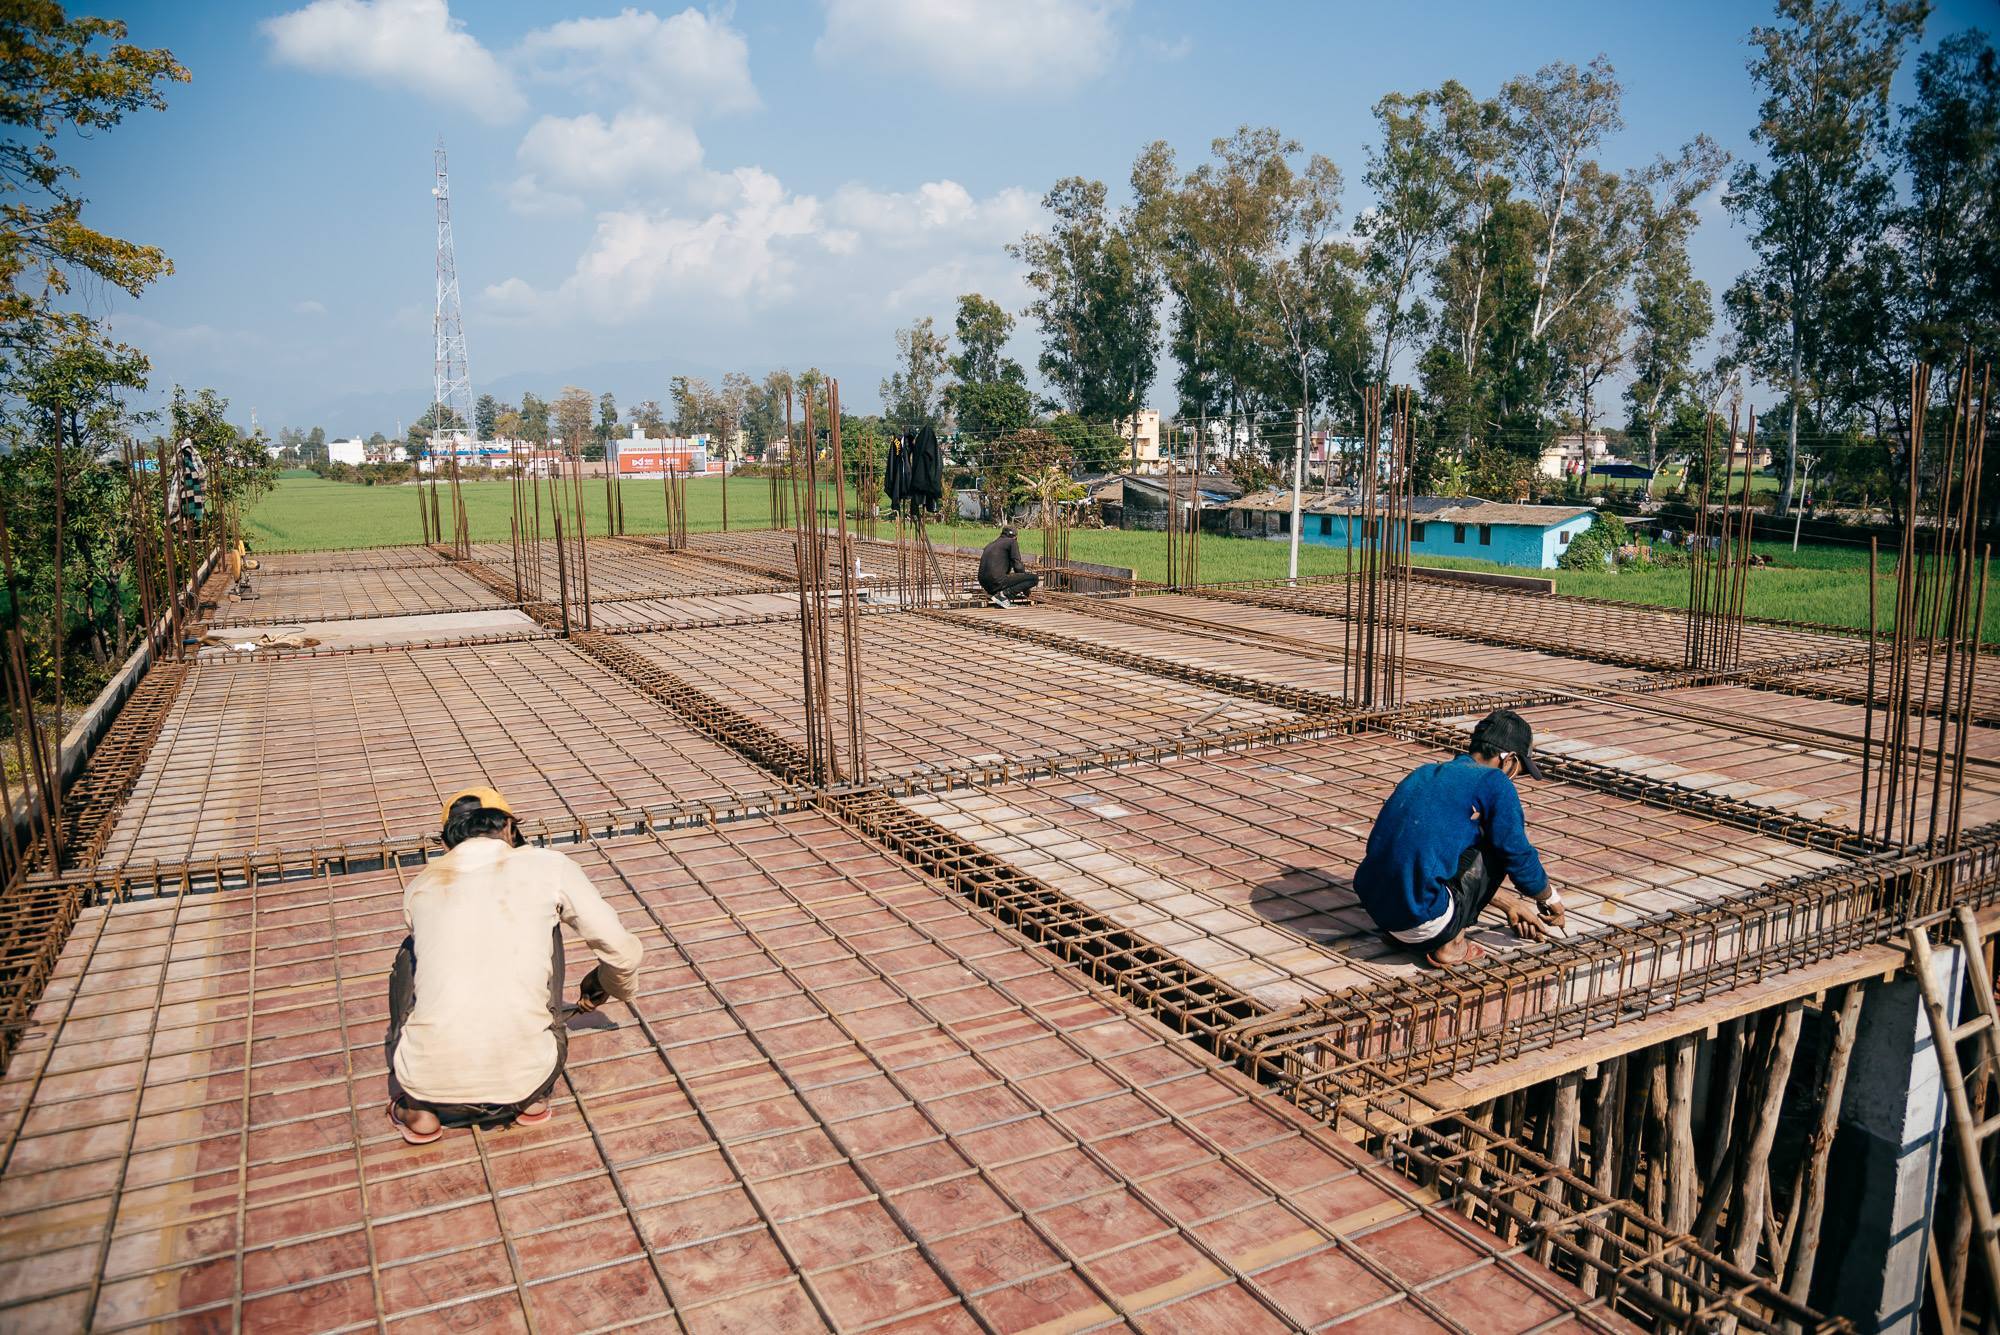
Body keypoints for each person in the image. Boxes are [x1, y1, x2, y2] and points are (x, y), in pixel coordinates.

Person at [385, 786, 644, 1144]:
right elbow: (622, 951)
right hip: (530, 1077)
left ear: (446, 844)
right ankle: (532, 1101)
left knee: (413, 950)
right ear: (509, 828)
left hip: (427, 1083)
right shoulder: (549, 866)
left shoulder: (420, 885)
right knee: (546, 927)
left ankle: (419, 1111)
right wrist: (607, 983)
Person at [1353, 709, 1564, 966]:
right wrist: (1548, 897)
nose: (1514, 778)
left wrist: (1510, 905)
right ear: (1508, 759)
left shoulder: (1425, 772)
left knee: (1444, 840)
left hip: (1379, 910)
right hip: (1426, 920)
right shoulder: (1494, 782)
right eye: (1518, 770)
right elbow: (1517, 856)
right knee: (1498, 841)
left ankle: (1406, 935)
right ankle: (1450, 944)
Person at [978, 526, 1038, 608]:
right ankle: (1004, 595)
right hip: (996, 581)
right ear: (1015, 537)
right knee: (1033, 578)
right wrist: (1025, 587)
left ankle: (997, 594)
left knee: (1005, 576)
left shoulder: (990, 544)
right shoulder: (1011, 542)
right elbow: (1018, 566)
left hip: (984, 583)